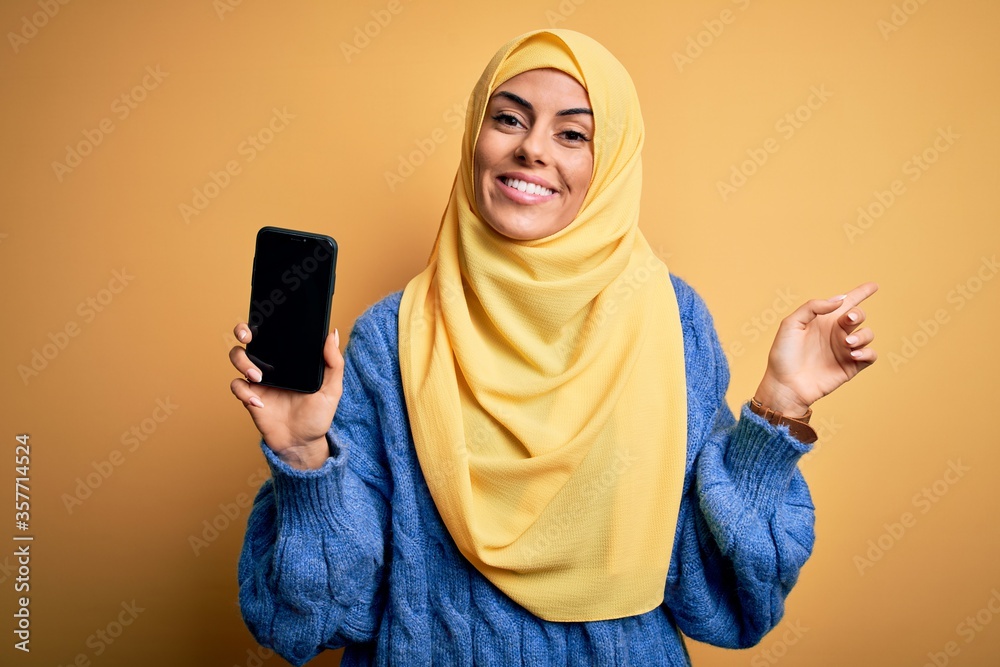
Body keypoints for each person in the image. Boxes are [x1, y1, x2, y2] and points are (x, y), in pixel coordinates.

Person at [229, 28, 877, 666]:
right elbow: (318, 619)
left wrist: (777, 408)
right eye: (507, 119)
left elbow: (716, 596)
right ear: (473, 140)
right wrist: (304, 456)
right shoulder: (390, 338)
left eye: (573, 133)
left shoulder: (669, 323)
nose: (532, 149)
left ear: (613, 161)